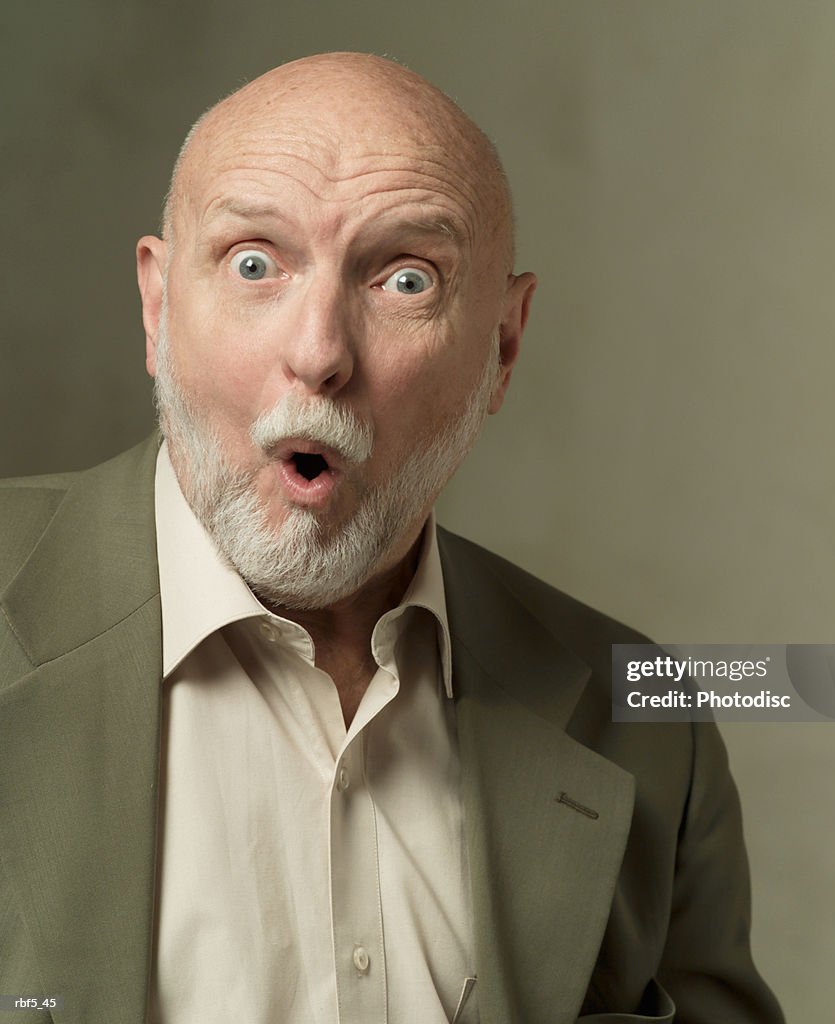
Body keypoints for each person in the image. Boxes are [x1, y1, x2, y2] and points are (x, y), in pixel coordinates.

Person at [0, 53, 783, 1024]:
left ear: (502, 345)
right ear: (158, 309)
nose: (321, 351)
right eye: (254, 264)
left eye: (406, 279)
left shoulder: (649, 725)